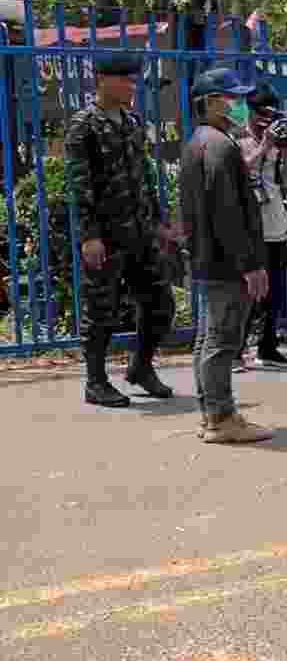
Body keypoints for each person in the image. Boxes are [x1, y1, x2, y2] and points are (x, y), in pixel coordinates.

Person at [65, 53, 177, 407]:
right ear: (101, 79)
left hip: (141, 231)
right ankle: (95, 381)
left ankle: (141, 367)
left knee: (160, 302)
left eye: (133, 80)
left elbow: (144, 174)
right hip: (107, 235)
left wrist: (159, 222)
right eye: (125, 80)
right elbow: (78, 184)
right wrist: (89, 235)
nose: (132, 86)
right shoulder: (84, 124)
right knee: (101, 310)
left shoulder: (132, 121)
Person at [177, 68, 273, 444]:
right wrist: (248, 264)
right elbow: (227, 211)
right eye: (230, 98)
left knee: (208, 339)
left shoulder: (199, 142)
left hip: (207, 255)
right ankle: (221, 417)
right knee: (222, 340)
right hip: (226, 261)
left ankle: (212, 413)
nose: (237, 104)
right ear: (211, 102)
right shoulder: (220, 145)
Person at [237, 82, 287, 370]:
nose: (265, 120)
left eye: (270, 115)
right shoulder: (237, 140)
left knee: (275, 290)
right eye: (260, 113)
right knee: (247, 291)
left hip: (274, 222)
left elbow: (286, 182)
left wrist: (285, 151)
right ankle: (235, 350)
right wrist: (264, 146)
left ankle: (268, 348)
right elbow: (240, 171)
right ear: (250, 112)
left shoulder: (278, 141)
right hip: (248, 226)